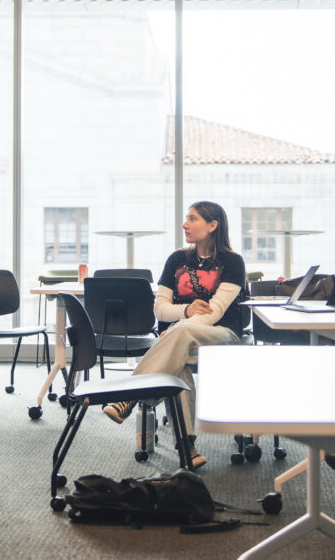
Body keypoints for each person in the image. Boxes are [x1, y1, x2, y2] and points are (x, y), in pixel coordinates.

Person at [102, 200, 247, 470]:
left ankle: (130, 395)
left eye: (193, 219)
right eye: (186, 218)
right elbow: (160, 309)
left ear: (213, 225)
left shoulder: (233, 262)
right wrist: (187, 310)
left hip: (221, 336)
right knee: (176, 364)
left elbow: (214, 313)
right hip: (180, 339)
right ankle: (187, 448)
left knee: (178, 335)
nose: (185, 224)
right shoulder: (176, 259)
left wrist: (179, 324)